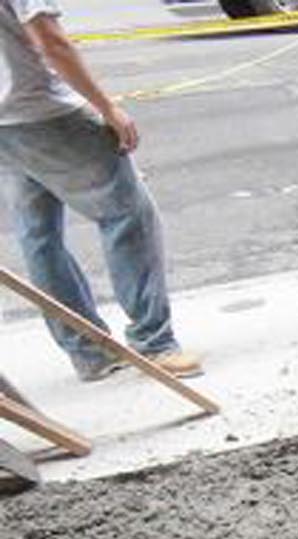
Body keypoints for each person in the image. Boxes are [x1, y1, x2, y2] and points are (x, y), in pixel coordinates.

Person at [0, 0, 200, 382]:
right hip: (44, 114)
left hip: (6, 127)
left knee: (38, 235)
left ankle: (88, 352)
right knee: (128, 215)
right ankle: (153, 342)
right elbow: (50, 40)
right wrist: (106, 107)